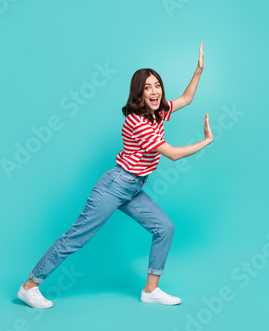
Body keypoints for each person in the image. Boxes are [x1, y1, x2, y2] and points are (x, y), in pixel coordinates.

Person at [17, 43, 212, 308]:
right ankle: (30, 286)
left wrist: (198, 70)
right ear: (139, 93)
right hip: (115, 186)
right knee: (77, 237)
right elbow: (174, 154)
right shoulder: (137, 121)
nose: (155, 91)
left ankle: (151, 290)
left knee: (164, 227)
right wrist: (205, 141)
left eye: (157, 85)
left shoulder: (157, 113)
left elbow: (186, 99)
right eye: (147, 87)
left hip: (133, 187)